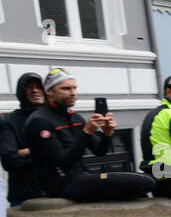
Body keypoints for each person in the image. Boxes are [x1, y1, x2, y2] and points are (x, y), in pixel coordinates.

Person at [24, 69, 154, 202]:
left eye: (74, 88)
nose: (73, 93)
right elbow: (62, 163)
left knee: (145, 180)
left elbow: (100, 151)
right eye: (66, 88)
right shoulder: (39, 121)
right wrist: (87, 132)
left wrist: (107, 133)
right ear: (49, 91)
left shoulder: (74, 116)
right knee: (143, 182)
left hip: (81, 176)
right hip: (61, 184)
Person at [1, 72, 46, 206]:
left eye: (38, 87)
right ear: (22, 92)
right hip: (24, 197)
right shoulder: (9, 121)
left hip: (54, 192)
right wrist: (41, 150)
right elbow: (9, 160)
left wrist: (25, 151)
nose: (35, 91)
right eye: (30, 87)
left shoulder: (53, 118)